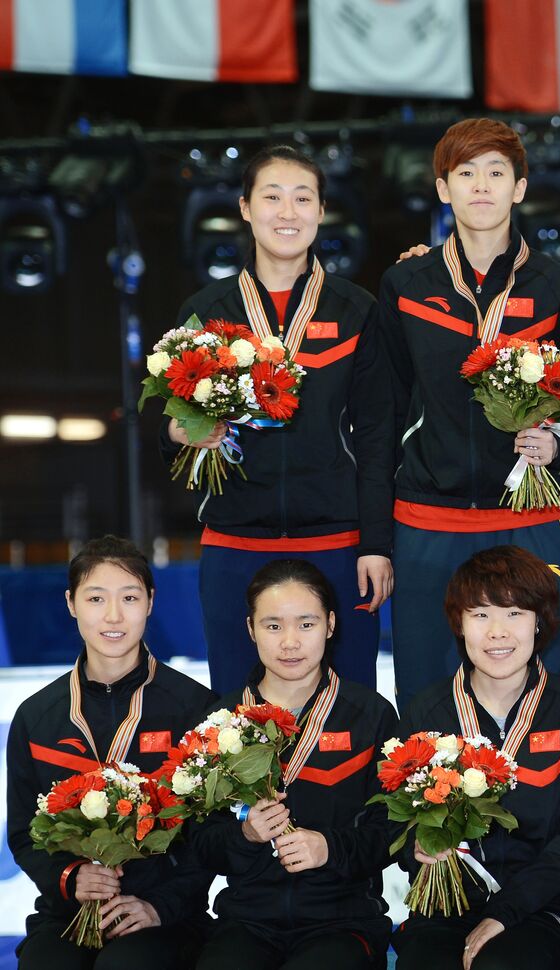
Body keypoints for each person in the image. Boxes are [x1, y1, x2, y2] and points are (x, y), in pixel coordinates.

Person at [164, 144, 394, 694]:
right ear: (245, 208)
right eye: (272, 197)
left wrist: (377, 544)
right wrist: (180, 434)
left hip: (338, 542)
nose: (287, 212)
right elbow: (176, 422)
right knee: (234, 709)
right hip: (234, 541)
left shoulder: (356, 309)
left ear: (320, 211)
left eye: (302, 198)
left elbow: (379, 433)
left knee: (348, 705)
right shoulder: (207, 309)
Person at [378, 118, 560, 701]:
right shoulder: (407, 283)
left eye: (497, 173)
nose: (482, 186)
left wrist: (558, 445)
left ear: (520, 187)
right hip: (427, 519)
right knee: (425, 692)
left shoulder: (554, 286)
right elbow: (383, 408)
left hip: (527, 515)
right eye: (465, 173)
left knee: (539, 692)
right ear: (443, 188)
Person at [391, 546, 560, 970]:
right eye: (481, 614)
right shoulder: (425, 712)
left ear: (539, 621)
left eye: (514, 613)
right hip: (446, 904)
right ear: (459, 623)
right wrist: (415, 848)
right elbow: (394, 822)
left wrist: (503, 912)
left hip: (543, 907)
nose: (497, 632)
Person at [7, 536, 215, 968]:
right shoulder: (37, 716)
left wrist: (161, 906)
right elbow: (24, 831)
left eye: (130, 597)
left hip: (164, 917)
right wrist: (71, 878)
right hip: (66, 915)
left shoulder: (194, 708)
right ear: (71, 603)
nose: (114, 616)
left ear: (151, 602)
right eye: (96, 598)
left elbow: (211, 836)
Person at [190, 559, 398, 970]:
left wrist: (329, 848)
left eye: (306, 624)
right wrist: (245, 835)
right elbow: (200, 842)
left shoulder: (369, 714)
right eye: (273, 626)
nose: (290, 642)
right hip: (246, 920)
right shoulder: (221, 719)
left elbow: (390, 830)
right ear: (250, 629)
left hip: (343, 921)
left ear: (331, 624)